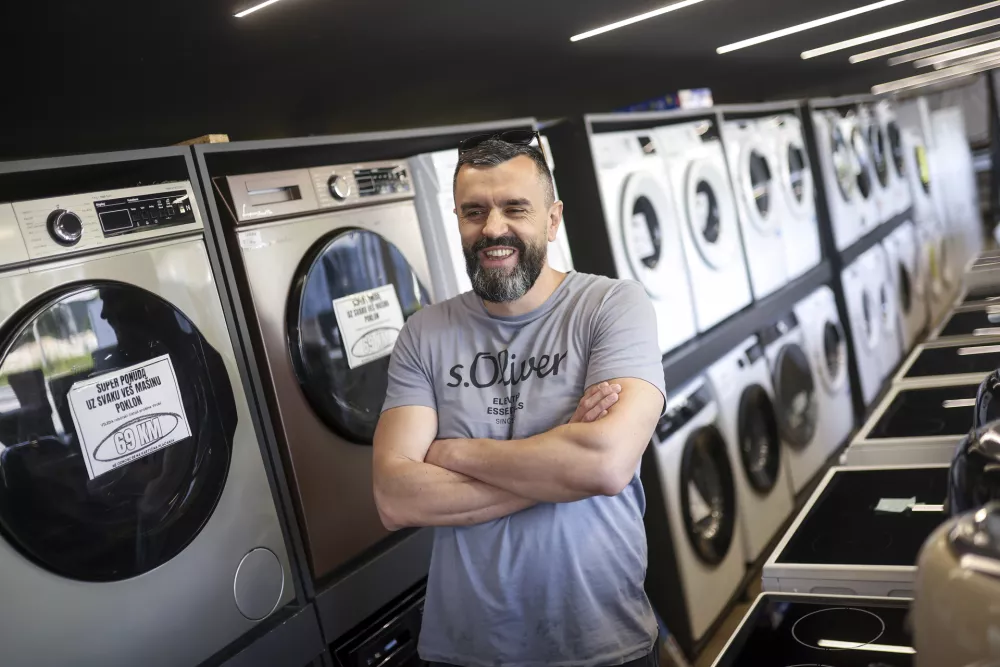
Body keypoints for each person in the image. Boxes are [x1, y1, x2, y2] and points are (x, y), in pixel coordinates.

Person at [372, 131, 666, 667]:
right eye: (474, 212)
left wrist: (452, 452)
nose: (493, 229)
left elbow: (603, 465)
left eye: (515, 208)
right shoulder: (423, 334)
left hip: (601, 642)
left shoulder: (611, 307)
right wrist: (557, 462)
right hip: (465, 651)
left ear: (552, 220)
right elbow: (396, 498)